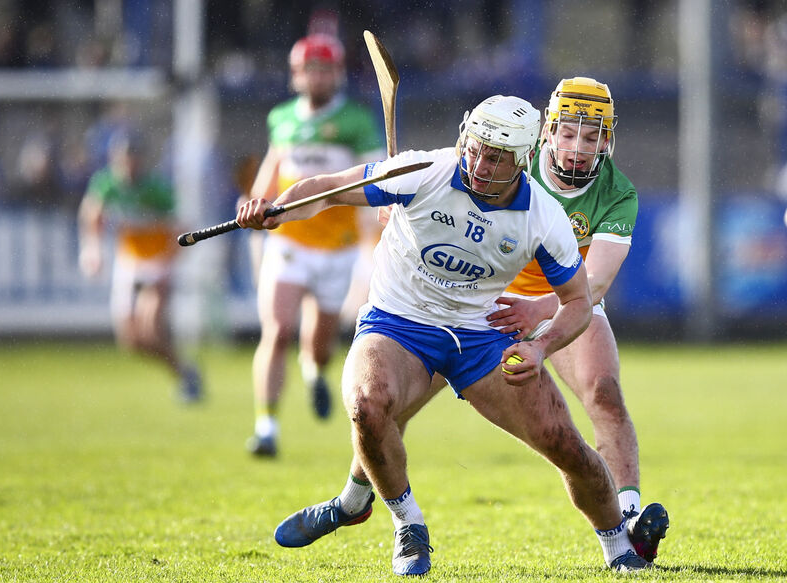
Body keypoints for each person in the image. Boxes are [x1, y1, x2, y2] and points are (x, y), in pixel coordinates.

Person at [237, 95, 651, 575]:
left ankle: (619, 549)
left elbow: (579, 301)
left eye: (495, 157)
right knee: (369, 407)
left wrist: (540, 347)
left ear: (521, 160)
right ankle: (407, 525)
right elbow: (327, 189)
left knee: (565, 443)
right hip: (399, 323)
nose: (478, 162)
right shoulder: (423, 171)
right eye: (475, 147)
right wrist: (277, 209)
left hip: (481, 334)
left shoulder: (543, 217)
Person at [243, 33, 383, 457]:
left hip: (336, 249)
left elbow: (375, 184)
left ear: (337, 74)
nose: (317, 77)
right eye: (310, 69)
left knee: (319, 344)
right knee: (278, 329)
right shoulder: (282, 117)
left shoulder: (357, 121)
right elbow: (273, 168)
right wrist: (254, 205)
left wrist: (371, 245)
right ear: (296, 75)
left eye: (325, 69)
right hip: (288, 243)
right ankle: (266, 427)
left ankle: (313, 372)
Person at [78, 129, 203, 403]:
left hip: (157, 264)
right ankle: (185, 370)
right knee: (131, 342)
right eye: (121, 159)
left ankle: (187, 377)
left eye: (131, 159)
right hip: (129, 264)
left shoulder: (156, 188)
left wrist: (167, 267)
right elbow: (92, 212)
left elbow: (182, 230)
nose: (126, 165)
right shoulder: (108, 183)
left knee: (150, 329)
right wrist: (92, 249)